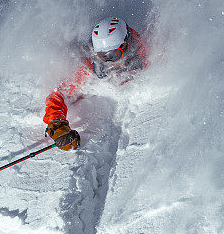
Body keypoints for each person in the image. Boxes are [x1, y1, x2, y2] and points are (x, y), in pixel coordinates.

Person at [44, 17, 148, 151]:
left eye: (114, 54)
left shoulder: (146, 52)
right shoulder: (91, 66)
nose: (109, 62)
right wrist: (57, 124)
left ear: (126, 43)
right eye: (103, 56)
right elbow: (59, 94)